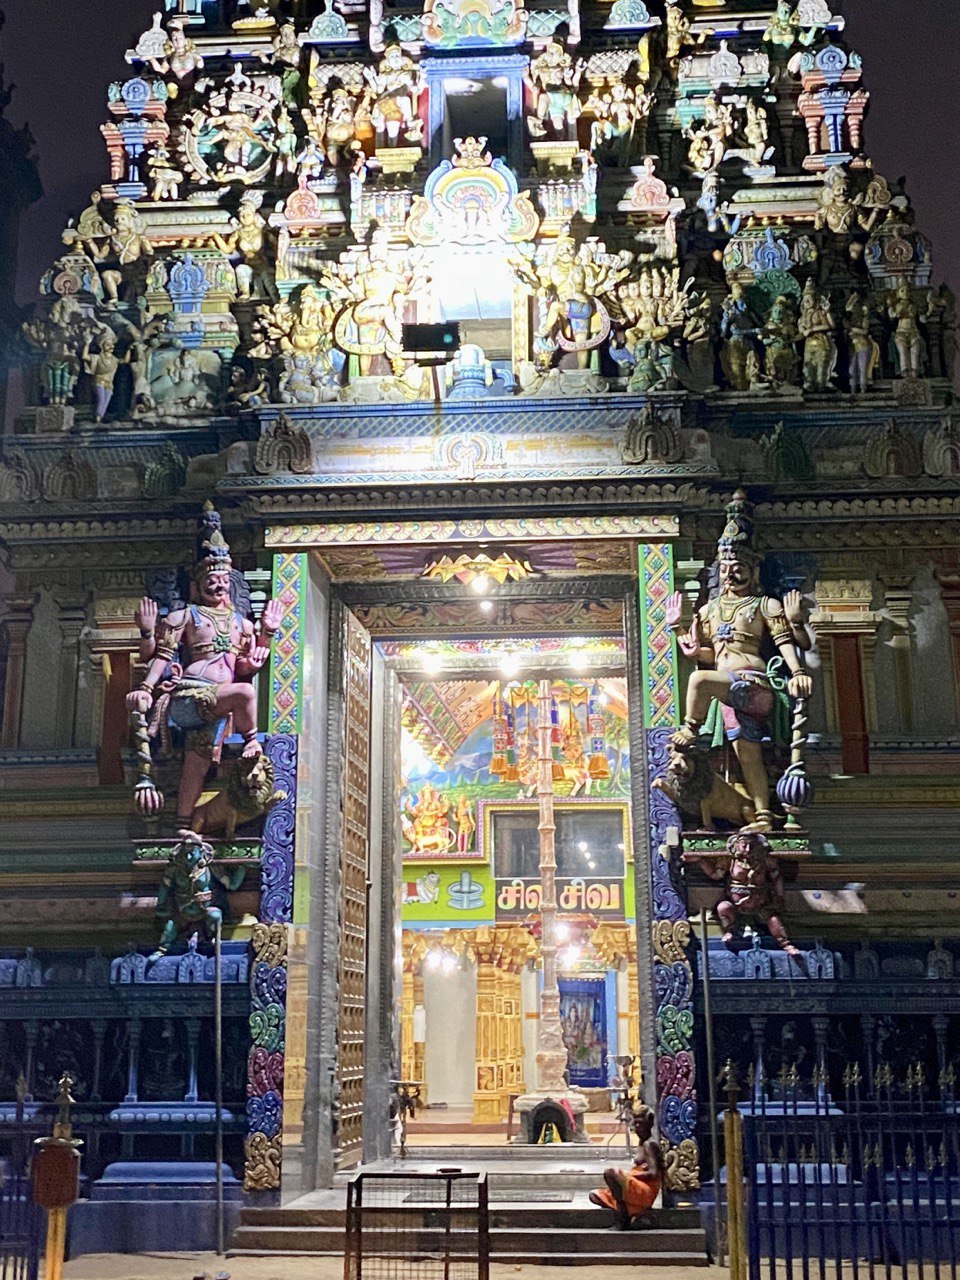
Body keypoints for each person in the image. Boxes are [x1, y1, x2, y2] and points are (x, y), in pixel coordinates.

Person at [589, 1105, 664, 1229]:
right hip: (637, 1187)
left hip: (646, 1190)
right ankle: (634, 1210)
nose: (638, 1127)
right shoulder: (641, 1143)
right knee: (594, 1195)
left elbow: (654, 1173)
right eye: (636, 1124)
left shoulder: (649, 1144)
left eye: (641, 1123)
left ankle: (623, 1216)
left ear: (649, 1124)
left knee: (610, 1173)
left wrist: (631, 1176)